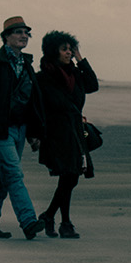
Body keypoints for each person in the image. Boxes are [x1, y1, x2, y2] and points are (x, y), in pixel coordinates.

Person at [0, 16, 45, 239]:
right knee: (14, 174)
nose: (23, 36)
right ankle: (29, 221)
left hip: (20, 129)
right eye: (18, 32)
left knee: (3, 178)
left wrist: (33, 133)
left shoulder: (28, 65)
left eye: (26, 32)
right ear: (6, 37)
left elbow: (32, 101)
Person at [33, 30, 100, 238]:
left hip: (75, 132)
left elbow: (93, 86)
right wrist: (34, 134)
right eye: (65, 49)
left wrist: (81, 59)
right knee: (69, 176)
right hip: (56, 133)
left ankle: (53, 217)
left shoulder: (75, 74)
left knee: (70, 177)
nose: (69, 53)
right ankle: (63, 222)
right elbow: (37, 107)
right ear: (54, 51)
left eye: (71, 49)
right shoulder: (42, 77)